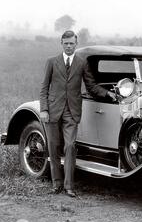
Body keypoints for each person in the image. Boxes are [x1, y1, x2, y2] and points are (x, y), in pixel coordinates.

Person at [40, 30, 116, 197]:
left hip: (72, 112)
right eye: (66, 43)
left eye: (72, 44)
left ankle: (68, 186)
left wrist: (107, 93)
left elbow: (91, 86)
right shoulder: (52, 62)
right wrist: (44, 109)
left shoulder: (82, 63)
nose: (68, 46)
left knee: (70, 146)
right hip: (52, 111)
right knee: (53, 147)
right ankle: (56, 184)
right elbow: (44, 88)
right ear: (61, 43)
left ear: (76, 44)